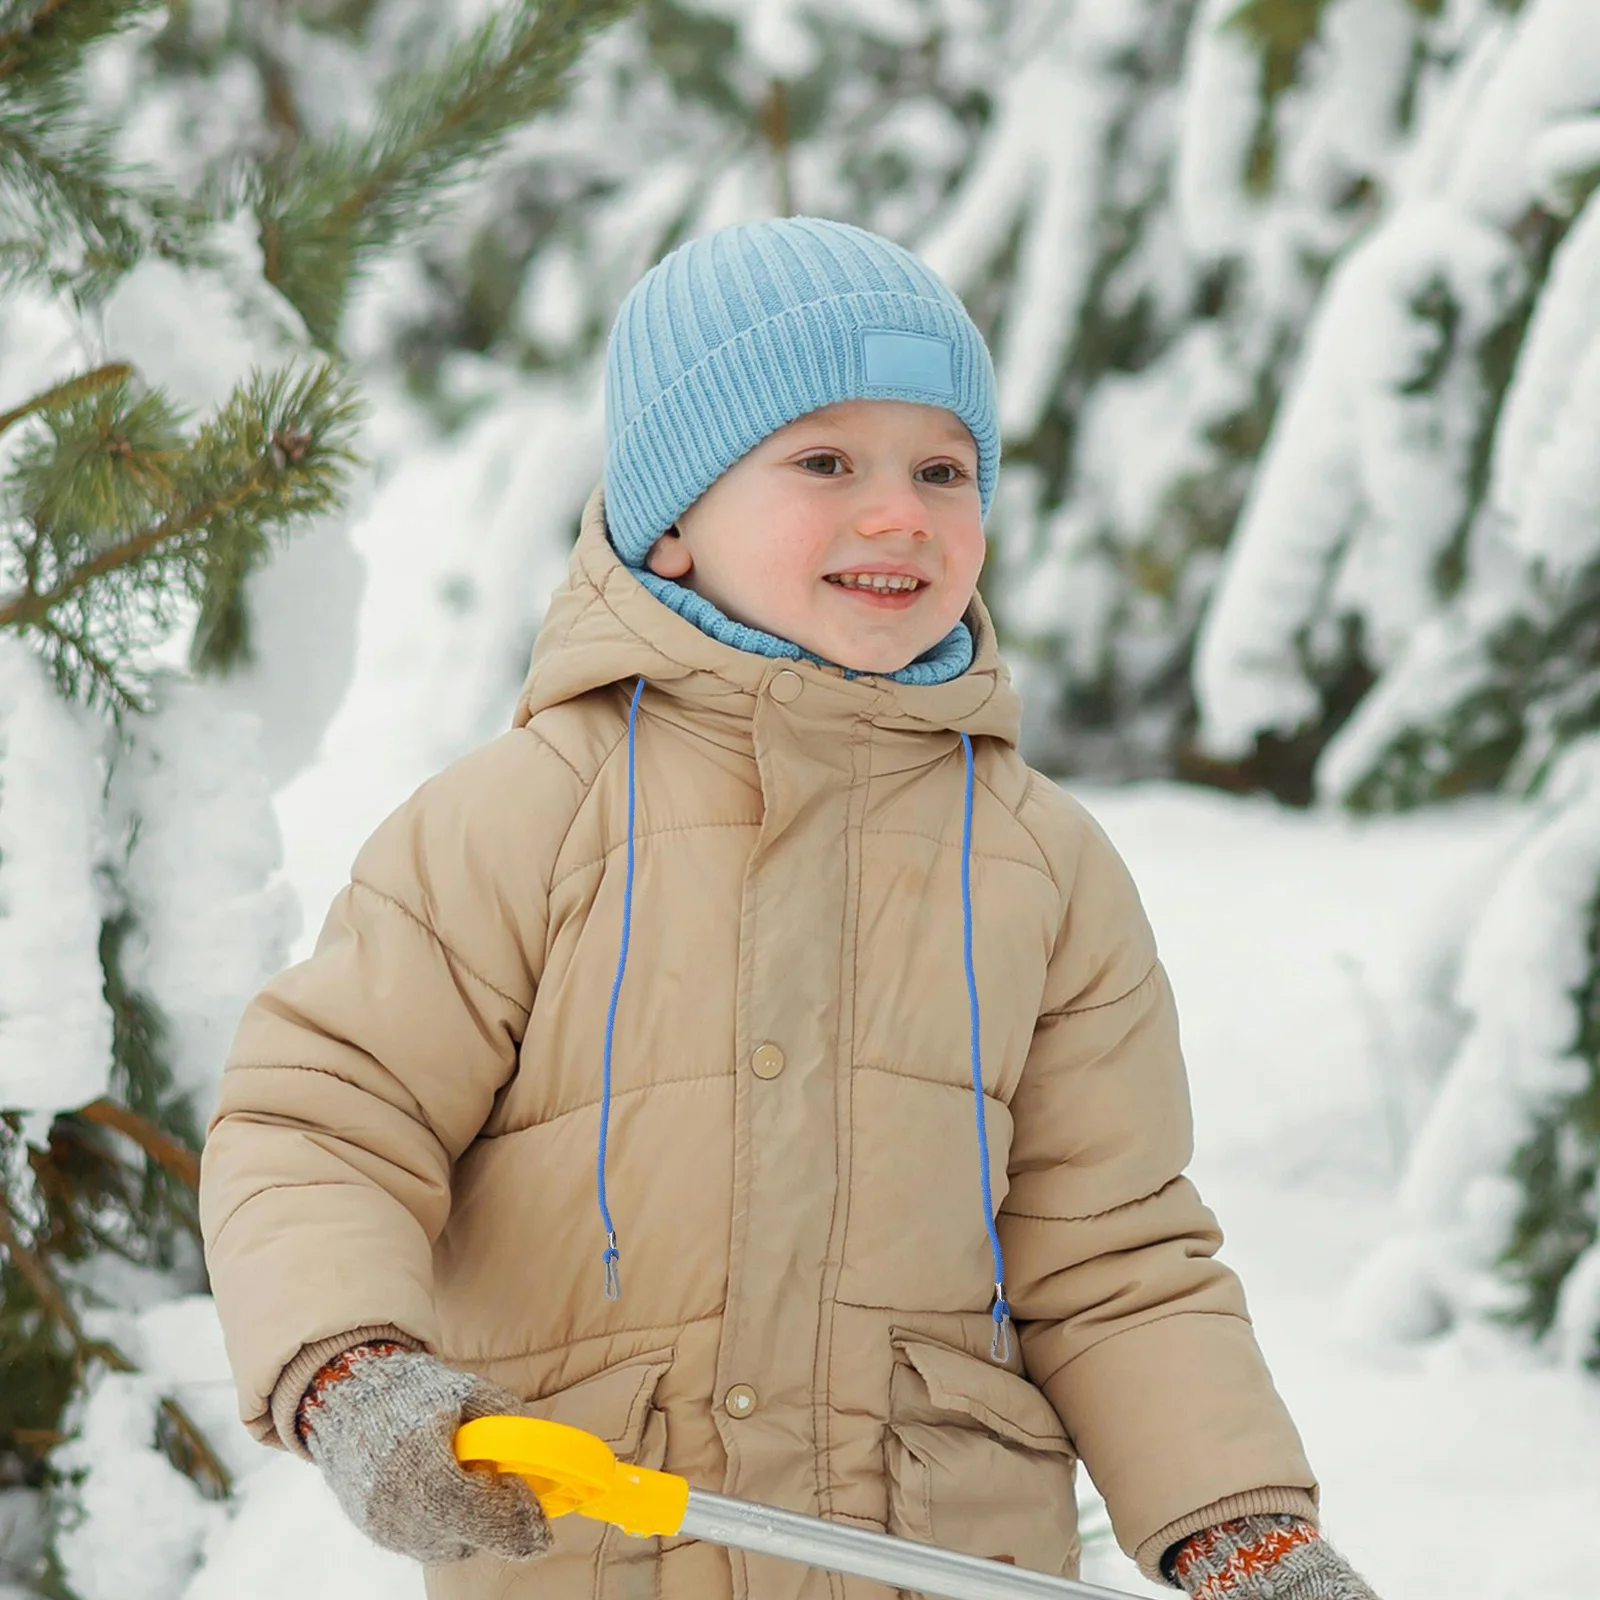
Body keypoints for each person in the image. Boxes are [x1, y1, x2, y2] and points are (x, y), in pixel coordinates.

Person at [200, 217, 1380, 1600]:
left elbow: (1115, 1256)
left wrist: (1245, 1531)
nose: (900, 515)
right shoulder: (522, 821)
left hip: (931, 1562)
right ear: (673, 522)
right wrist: (352, 1365)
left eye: (943, 470)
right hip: (604, 1561)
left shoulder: (1041, 868)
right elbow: (323, 1119)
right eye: (826, 462)